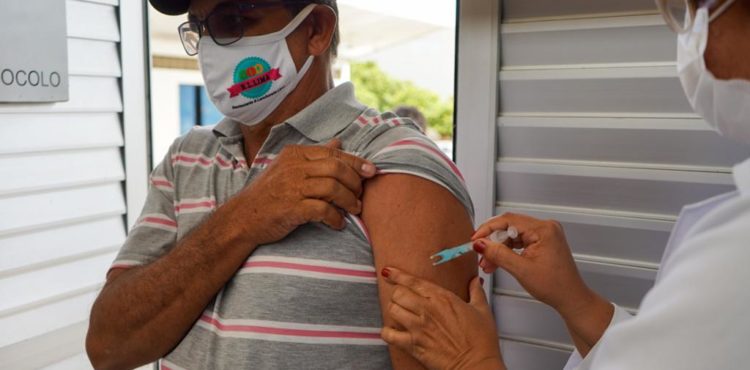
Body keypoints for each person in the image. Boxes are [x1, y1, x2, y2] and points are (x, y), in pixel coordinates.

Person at [85, 1, 476, 369]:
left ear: (316, 30)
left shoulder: (393, 162)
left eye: (232, 21)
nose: (209, 46)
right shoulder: (185, 159)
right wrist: (245, 216)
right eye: (200, 27)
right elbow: (109, 347)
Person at [379, 0, 750, 369]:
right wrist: (573, 299)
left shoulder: (736, 257)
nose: (691, 32)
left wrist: (473, 361)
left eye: (698, 8)